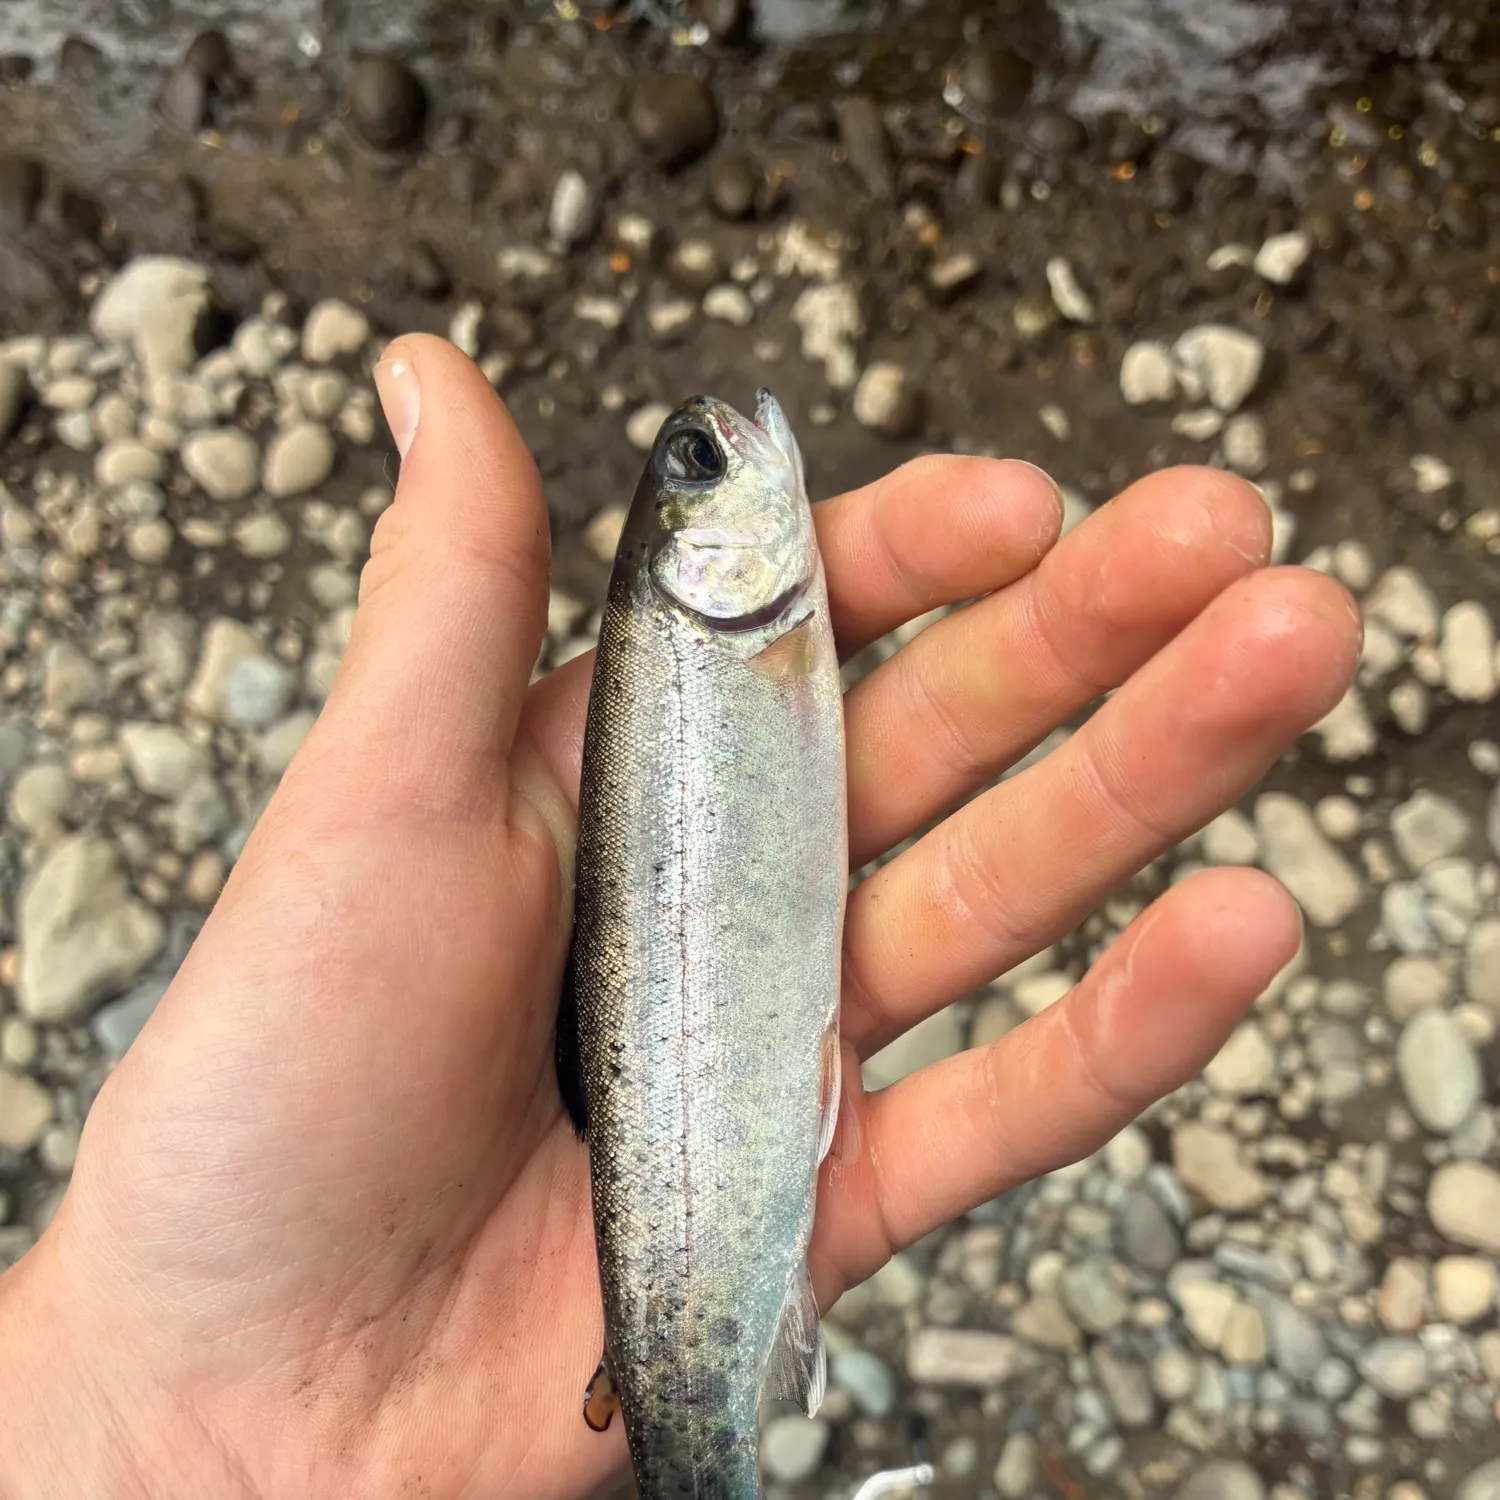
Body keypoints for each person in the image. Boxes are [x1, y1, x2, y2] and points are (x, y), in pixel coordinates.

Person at [0, 336, 1360, 1498]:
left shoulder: (746, 630)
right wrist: (129, 1416)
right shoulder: (725, 633)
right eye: (693, 475)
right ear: (684, 567)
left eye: (689, 469)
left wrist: (136, 1427)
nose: (716, 447)